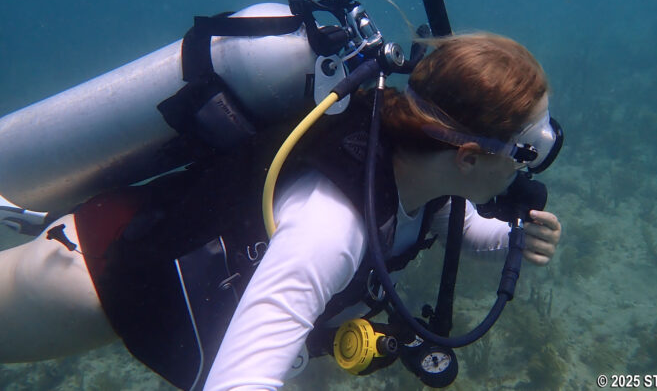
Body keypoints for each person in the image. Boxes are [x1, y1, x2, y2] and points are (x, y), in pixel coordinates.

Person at [0, 32, 561, 390]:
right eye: (527, 149)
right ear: (467, 156)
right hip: (84, 278)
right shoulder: (329, 227)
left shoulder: (418, 166)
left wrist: (511, 238)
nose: (529, 167)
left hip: (132, 270)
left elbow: (444, 220)